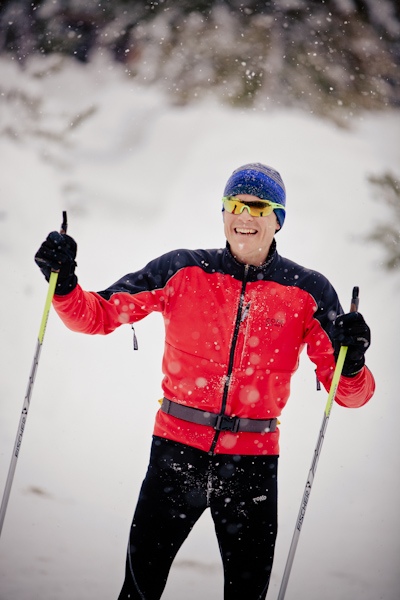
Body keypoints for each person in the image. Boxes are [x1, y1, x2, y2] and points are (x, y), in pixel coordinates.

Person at [35, 163, 375, 600]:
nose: (244, 216)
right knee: (139, 589)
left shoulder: (308, 292)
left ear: (278, 219)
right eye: (235, 205)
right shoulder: (183, 270)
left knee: (246, 594)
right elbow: (97, 315)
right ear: (222, 213)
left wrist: (352, 365)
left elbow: (350, 396)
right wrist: (63, 285)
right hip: (175, 454)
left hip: (252, 465)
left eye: (258, 207)